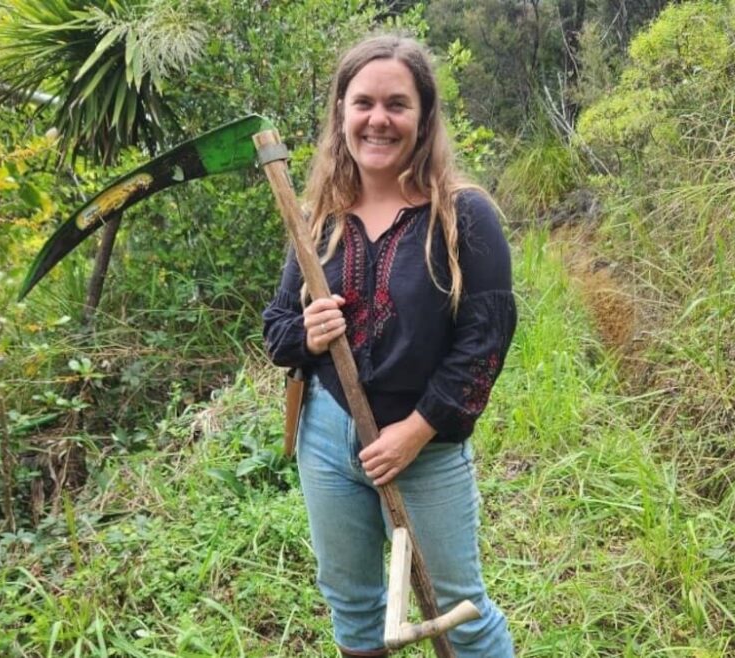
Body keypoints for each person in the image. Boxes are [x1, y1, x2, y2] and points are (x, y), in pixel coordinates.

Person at [262, 33, 517, 658]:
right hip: (327, 439)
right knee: (352, 606)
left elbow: (484, 344)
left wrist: (416, 432)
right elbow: (277, 330)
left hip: (424, 447)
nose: (378, 119)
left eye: (397, 104)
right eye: (364, 103)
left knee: (460, 614)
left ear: (423, 116)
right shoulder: (319, 216)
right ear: (341, 113)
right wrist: (308, 333)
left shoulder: (464, 215)